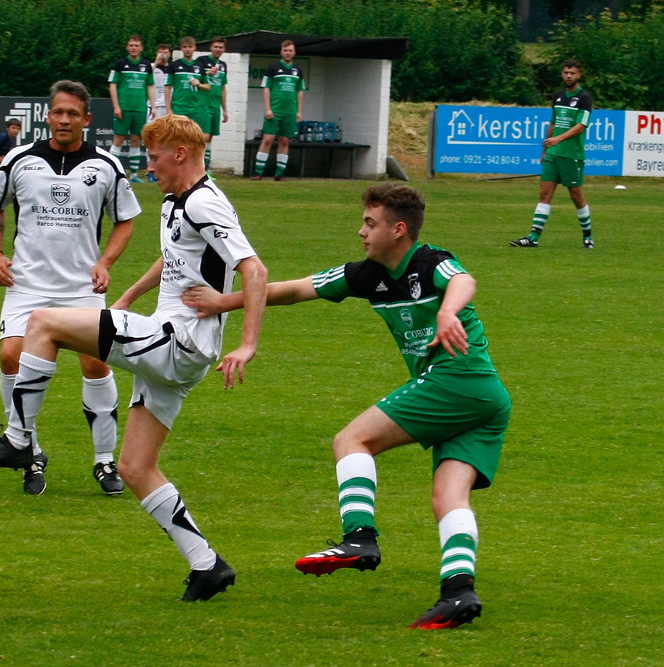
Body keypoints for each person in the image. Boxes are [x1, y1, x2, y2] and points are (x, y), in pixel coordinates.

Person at [0, 113, 268, 601]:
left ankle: (21, 441)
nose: (149, 166)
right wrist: (125, 300)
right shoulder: (178, 201)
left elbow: (254, 270)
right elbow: (172, 259)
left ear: (181, 154)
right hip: (174, 350)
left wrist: (248, 344)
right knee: (136, 467)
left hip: (177, 342)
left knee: (43, 323)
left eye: (154, 156)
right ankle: (207, 565)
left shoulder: (206, 202)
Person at [183, 183, 511, 627]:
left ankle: (359, 538)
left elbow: (463, 279)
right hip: (486, 400)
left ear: (399, 230)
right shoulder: (366, 274)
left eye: (370, 224)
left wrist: (448, 312)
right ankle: (458, 593)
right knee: (448, 496)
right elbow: (296, 290)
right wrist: (227, 301)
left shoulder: (429, 261)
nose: (361, 232)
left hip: (459, 380)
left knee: (351, 439)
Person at [0, 80, 141, 496]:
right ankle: (28, 449)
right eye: (58, 112)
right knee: (10, 355)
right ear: (48, 115)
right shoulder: (19, 160)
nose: (64, 120)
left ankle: (105, 460)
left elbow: (125, 219)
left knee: (95, 365)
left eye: (73, 113)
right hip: (27, 285)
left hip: (81, 287)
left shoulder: (107, 166)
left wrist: (105, 262)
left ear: (86, 120)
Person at [510, 59, 594, 249]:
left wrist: (558, 140)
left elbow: (581, 126)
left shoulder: (584, 99)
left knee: (576, 196)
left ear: (578, 75)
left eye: (572, 73)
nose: (568, 76)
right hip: (553, 155)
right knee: (544, 194)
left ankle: (588, 237)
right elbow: (553, 123)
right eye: (566, 72)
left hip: (572, 155)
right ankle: (533, 237)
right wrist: (546, 148)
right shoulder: (557, 97)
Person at [251, 40, 305, 181]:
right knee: (268, 139)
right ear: (281, 52)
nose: (288, 53)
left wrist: (299, 111)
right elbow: (266, 88)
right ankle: (258, 172)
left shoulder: (298, 70)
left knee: (285, 141)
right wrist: (268, 108)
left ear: (294, 52)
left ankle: (279, 174)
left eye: (290, 50)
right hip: (274, 110)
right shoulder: (273, 68)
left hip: (290, 112)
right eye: (285, 50)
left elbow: (300, 91)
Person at [108, 34, 155, 183]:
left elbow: (150, 85)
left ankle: (134, 175)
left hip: (140, 109)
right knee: (118, 140)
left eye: (136, 45)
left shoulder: (146, 65)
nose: (134, 48)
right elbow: (112, 84)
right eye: (131, 45)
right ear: (127, 47)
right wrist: (116, 106)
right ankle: (112, 172)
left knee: (136, 140)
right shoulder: (120, 64)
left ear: (141, 48)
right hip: (124, 108)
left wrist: (153, 106)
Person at [194, 36, 229, 175]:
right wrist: (208, 72)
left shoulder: (223, 65)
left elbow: (223, 88)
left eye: (220, 47)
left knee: (211, 137)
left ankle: (206, 168)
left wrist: (225, 109)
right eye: (215, 46)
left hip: (215, 106)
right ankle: (200, 167)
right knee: (205, 136)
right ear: (211, 47)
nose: (218, 49)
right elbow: (195, 77)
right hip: (203, 104)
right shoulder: (201, 61)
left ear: (224, 49)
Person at [165, 36, 210, 132]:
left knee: (191, 137)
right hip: (178, 108)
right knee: (177, 136)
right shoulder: (174, 65)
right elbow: (167, 87)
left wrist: (199, 84)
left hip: (195, 109)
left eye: (190, 47)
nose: (187, 49)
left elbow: (208, 87)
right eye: (185, 47)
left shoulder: (199, 66)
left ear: (194, 48)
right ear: (181, 48)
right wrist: (169, 109)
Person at [148, 44, 170, 183]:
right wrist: (156, 62)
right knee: (151, 138)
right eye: (160, 51)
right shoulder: (151, 66)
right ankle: (151, 171)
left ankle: (164, 170)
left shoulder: (172, 68)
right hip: (153, 106)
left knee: (166, 140)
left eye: (165, 52)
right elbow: (147, 74)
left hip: (167, 106)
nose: (163, 54)